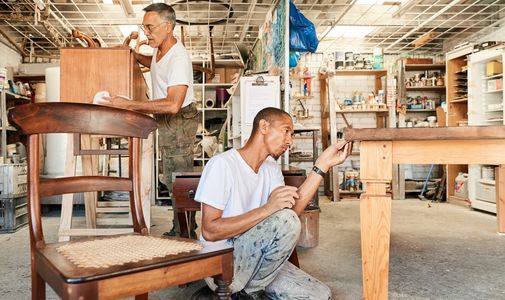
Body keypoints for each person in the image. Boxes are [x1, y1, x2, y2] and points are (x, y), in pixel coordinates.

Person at [195, 107, 352, 299]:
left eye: (292, 134)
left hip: (258, 259)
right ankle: (241, 292)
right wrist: (268, 208)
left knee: (319, 295)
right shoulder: (222, 165)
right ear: (263, 126)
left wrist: (322, 165)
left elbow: (290, 212)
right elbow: (210, 231)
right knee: (285, 221)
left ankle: (246, 293)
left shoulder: (271, 169)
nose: (290, 140)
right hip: (223, 263)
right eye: (286, 131)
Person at [97, 3, 198, 237]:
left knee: (179, 178)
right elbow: (153, 64)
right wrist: (133, 55)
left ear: (168, 26)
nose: (146, 33)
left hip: (179, 119)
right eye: (144, 28)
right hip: (169, 120)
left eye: (150, 28)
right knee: (172, 175)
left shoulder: (178, 58)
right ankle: (182, 228)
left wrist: (128, 104)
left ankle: (186, 233)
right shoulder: (159, 50)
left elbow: (173, 104)